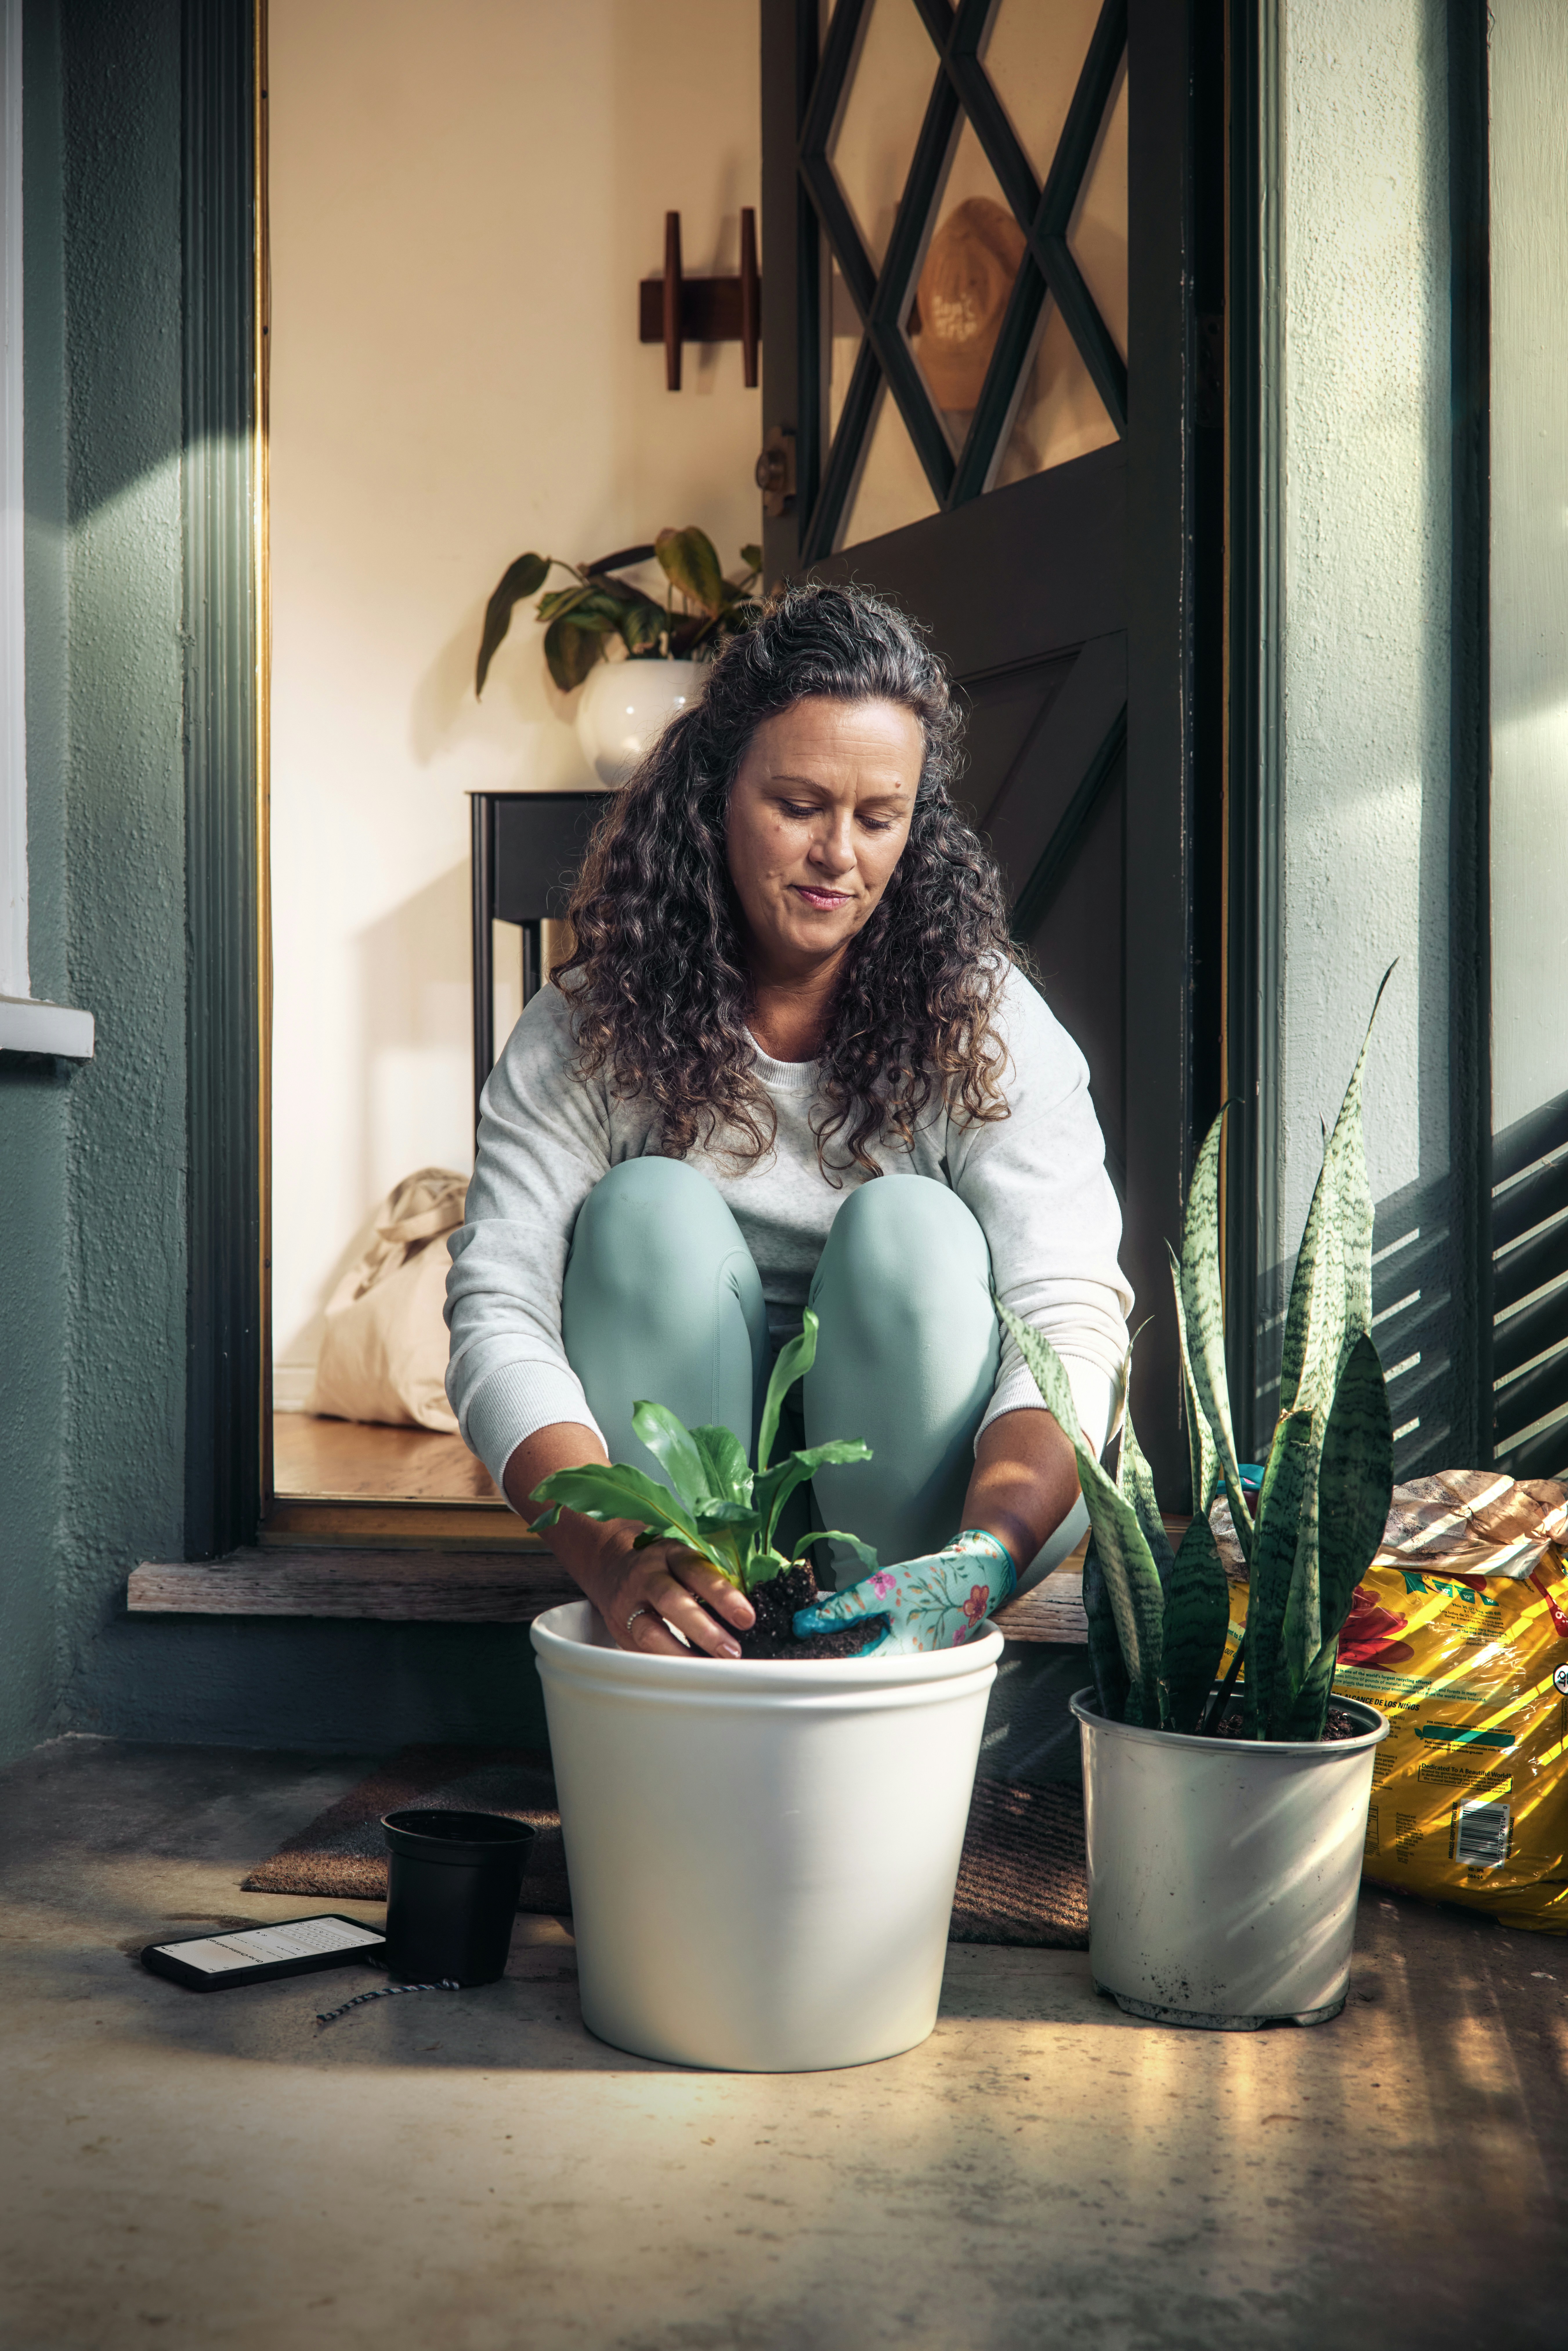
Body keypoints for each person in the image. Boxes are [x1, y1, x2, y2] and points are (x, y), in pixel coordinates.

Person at [446, 582, 1131, 1658]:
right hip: (679, 1508)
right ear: (718, 794)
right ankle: (697, 1631)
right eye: (799, 807)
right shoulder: (587, 1026)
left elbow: (1071, 1318)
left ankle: (885, 1655)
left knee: (914, 1225)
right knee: (644, 1212)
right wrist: (613, 1551)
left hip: (953, 1515)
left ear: (918, 821)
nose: (839, 858)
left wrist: (990, 1548)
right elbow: (499, 1311)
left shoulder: (986, 1020)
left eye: (879, 817)